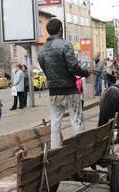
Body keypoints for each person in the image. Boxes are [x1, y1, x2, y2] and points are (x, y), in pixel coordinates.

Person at [38, 18, 90, 149]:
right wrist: (85, 73)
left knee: (55, 125)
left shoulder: (42, 50)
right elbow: (74, 68)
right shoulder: (65, 45)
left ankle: (55, 151)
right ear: (61, 29)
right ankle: (82, 150)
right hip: (69, 91)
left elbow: (45, 69)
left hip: (53, 93)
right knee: (77, 121)